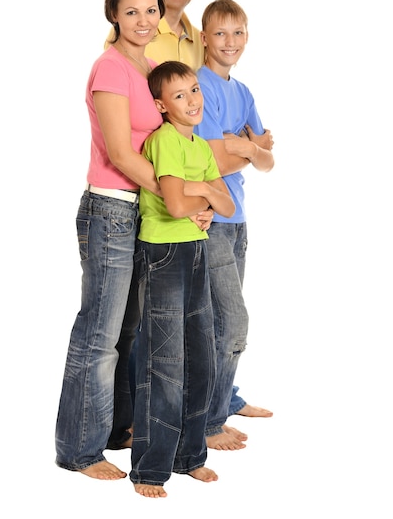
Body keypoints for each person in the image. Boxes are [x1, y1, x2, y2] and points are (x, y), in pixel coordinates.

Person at [107, 0, 268, 450]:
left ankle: (213, 402)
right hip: (151, 186)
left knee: (199, 319)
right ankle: (138, 421)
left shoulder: (197, 40)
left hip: (201, 199)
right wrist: (232, 154)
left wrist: (236, 150)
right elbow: (175, 133)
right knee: (149, 318)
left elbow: (222, 135)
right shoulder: (136, 38)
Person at [55, 0, 167, 480]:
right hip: (110, 211)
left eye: (150, 10)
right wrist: (178, 194)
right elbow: (121, 152)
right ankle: (79, 451)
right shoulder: (110, 68)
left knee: (128, 332)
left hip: (138, 212)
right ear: (113, 16)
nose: (142, 20)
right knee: (97, 336)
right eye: (131, 12)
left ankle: (117, 428)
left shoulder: (146, 69)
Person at [130, 61, 235, 497]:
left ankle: (190, 456)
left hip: (195, 249)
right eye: (179, 96)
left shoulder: (200, 147)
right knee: (165, 363)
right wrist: (207, 191)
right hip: (164, 254)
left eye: (194, 90)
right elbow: (174, 205)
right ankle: (150, 468)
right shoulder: (166, 141)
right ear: (160, 105)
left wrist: (208, 194)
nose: (192, 100)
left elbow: (227, 207)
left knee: (202, 357)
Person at [193, 0, 275, 451]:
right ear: (205, 38)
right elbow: (204, 157)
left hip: (239, 217)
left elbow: (269, 161)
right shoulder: (197, 86)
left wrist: (243, 147)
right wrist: (247, 145)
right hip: (211, 219)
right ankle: (209, 419)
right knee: (229, 322)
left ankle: (221, 402)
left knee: (225, 322)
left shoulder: (243, 92)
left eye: (238, 33)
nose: (230, 42)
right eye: (221, 33)